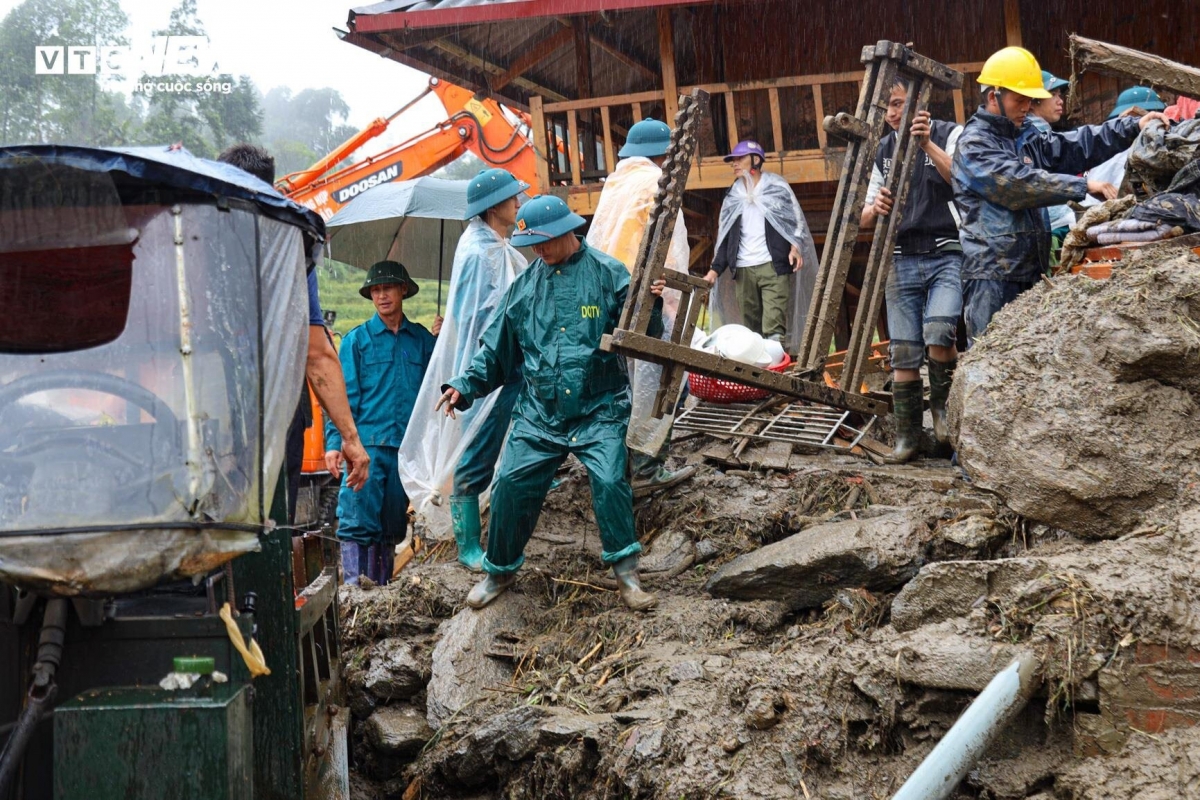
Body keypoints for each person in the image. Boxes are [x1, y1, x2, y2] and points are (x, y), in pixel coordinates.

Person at [436, 195, 664, 612]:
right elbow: (495, 350)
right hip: (539, 412)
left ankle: (627, 575)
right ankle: (499, 570)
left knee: (611, 480)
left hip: (601, 405)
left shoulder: (610, 275)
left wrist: (652, 303)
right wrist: (463, 386)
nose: (538, 250)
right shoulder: (524, 289)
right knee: (509, 483)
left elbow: (642, 333)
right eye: (532, 244)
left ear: (567, 231)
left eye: (544, 241)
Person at [951, 46, 1169, 346]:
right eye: (1019, 99)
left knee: (1029, 360)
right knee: (990, 361)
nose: (1027, 106)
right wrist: (1080, 186)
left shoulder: (1025, 136)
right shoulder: (974, 145)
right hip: (993, 276)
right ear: (993, 97)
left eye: (1029, 98)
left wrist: (1131, 126)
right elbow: (1017, 185)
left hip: (1031, 269)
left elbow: (1073, 145)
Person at [216, 143, 370, 522]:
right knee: (270, 526)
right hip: (276, 406)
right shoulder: (289, 244)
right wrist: (351, 439)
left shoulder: (191, 232)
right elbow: (316, 355)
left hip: (208, 406)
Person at [398, 168, 529, 571]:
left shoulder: (497, 246)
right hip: (485, 367)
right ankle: (468, 545)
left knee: (502, 440)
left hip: (506, 362)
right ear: (494, 207)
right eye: (512, 199)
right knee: (474, 449)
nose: (518, 204)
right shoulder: (479, 252)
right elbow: (475, 318)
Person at [585, 118, 696, 496]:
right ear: (664, 154)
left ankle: (618, 467)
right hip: (648, 293)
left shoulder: (616, 183)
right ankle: (648, 467)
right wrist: (672, 300)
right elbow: (673, 248)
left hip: (612, 296)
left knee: (623, 385)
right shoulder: (658, 183)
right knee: (658, 381)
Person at [860, 80, 963, 462]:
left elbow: (963, 179)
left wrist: (926, 145)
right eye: (886, 106)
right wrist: (876, 208)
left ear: (920, 103)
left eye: (898, 103)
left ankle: (943, 415)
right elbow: (863, 216)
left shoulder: (951, 133)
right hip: (900, 257)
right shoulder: (881, 151)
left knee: (939, 330)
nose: (891, 112)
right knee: (903, 351)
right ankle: (908, 439)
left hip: (944, 252)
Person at [326, 261, 438, 584]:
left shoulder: (422, 342)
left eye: (388, 287)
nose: (382, 295)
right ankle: (354, 596)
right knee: (357, 523)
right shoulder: (357, 341)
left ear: (403, 289)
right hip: (366, 450)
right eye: (375, 290)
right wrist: (336, 445)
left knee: (391, 528)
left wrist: (446, 338)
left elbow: (442, 380)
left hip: (405, 451)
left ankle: (381, 596)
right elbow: (342, 399)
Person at [704, 140, 816, 345]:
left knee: (773, 330)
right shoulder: (733, 195)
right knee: (751, 333)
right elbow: (725, 236)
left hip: (772, 266)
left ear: (756, 160)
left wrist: (795, 246)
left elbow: (795, 220)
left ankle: (775, 373)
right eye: (733, 160)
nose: (735, 164)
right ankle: (756, 374)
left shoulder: (776, 187)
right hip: (744, 269)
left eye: (740, 159)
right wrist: (714, 270)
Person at [1027, 71, 1077, 263]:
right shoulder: (1035, 134)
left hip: (1055, 225)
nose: (1060, 100)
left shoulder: (1043, 131)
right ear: (1033, 101)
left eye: (1059, 94)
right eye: (1053, 94)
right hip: (1051, 229)